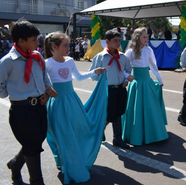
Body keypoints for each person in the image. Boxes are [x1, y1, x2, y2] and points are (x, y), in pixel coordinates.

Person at [44, 32, 107, 184]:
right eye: (65, 45)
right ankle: (65, 162)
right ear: (54, 47)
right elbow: (41, 81)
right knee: (62, 135)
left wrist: (94, 72)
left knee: (78, 131)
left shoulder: (70, 61)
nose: (69, 47)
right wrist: (47, 88)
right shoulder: (46, 63)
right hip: (57, 103)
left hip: (72, 102)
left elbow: (78, 77)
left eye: (68, 44)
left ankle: (73, 161)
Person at [0, 19, 58, 185]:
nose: (38, 42)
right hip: (21, 111)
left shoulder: (37, 56)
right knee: (32, 148)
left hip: (39, 108)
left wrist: (46, 93)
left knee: (34, 142)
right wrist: (14, 94)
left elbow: (45, 79)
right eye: (34, 39)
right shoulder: (8, 62)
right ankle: (37, 182)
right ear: (21, 41)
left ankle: (15, 164)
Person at [123, 27, 168, 145]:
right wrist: (127, 76)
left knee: (150, 107)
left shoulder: (149, 50)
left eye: (147, 36)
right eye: (143, 37)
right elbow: (124, 67)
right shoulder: (131, 51)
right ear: (137, 38)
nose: (146, 38)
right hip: (136, 83)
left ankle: (153, 133)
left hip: (147, 82)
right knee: (136, 109)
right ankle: (136, 133)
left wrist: (159, 79)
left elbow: (153, 66)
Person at [89, 29, 133, 149]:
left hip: (120, 89)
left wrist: (125, 80)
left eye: (119, 40)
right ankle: (100, 130)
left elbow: (128, 69)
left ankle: (117, 138)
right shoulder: (100, 57)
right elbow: (93, 74)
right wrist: (101, 79)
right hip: (108, 90)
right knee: (110, 114)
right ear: (107, 41)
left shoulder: (123, 57)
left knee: (119, 113)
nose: (118, 43)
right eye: (115, 41)